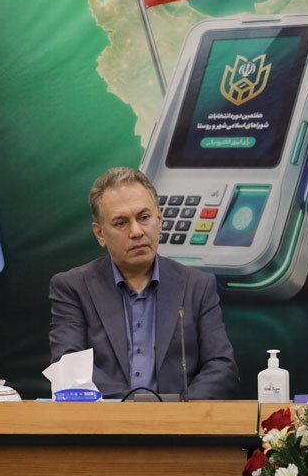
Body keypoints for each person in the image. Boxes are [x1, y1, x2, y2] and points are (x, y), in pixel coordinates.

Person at [49, 167, 241, 399]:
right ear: (100, 234)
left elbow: (221, 367)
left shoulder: (197, 286)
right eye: (121, 223)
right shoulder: (74, 288)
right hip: (105, 419)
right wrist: (136, 407)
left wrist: (176, 409)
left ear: (159, 220)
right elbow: (68, 364)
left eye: (144, 217)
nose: (136, 231)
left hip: (179, 419)